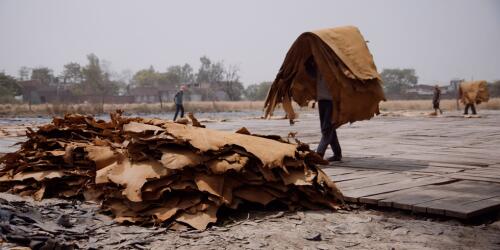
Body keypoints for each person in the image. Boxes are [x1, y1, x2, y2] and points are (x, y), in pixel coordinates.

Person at [305, 57, 342, 161]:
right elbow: (308, 68)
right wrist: (311, 57)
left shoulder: (334, 69)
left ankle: (319, 154)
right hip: (322, 101)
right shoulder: (319, 69)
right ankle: (337, 154)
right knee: (329, 129)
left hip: (332, 102)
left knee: (326, 128)